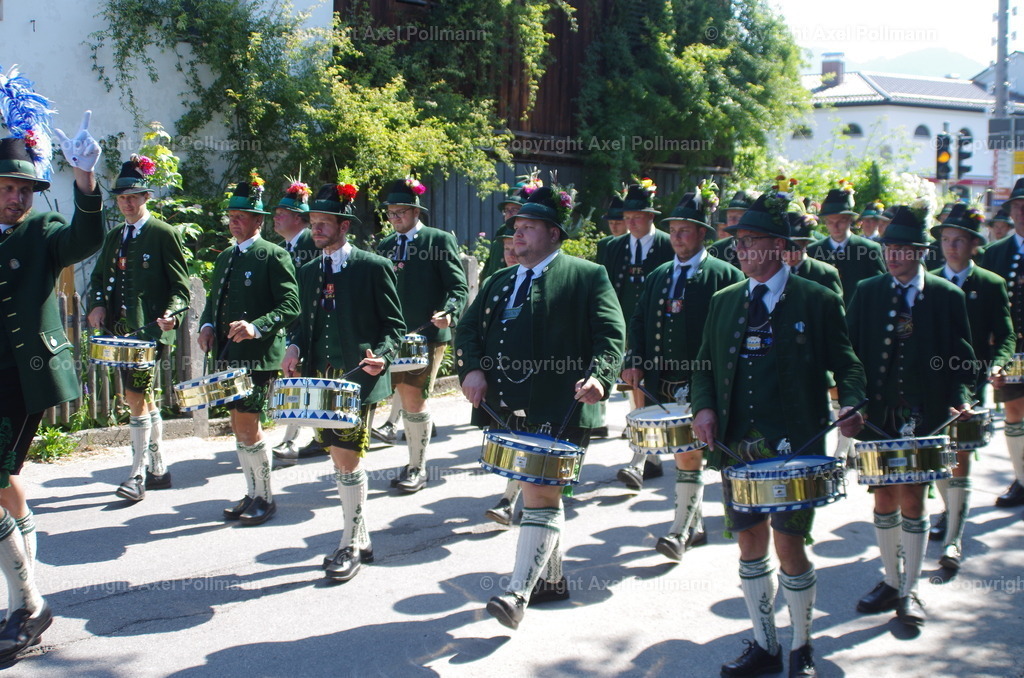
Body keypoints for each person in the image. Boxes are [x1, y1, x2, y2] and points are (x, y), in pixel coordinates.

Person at [691, 187, 866, 678]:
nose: (742, 251)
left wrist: (852, 400)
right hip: (736, 445)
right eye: (739, 243)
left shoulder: (817, 298)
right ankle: (765, 644)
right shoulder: (725, 301)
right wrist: (704, 408)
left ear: (778, 246)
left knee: (790, 545)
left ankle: (802, 645)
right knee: (749, 543)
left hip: (797, 445)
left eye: (752, 242)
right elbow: (705, 366)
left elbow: (847, 364)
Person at [456, 183, 625, 630]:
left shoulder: (587, 275)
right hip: (507, 407)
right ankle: (551, 580)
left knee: (539, 495)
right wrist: (471, 369)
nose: (517, 236)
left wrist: (601, 376)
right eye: (515, 229)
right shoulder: (499, 279)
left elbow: (611, 334)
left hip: (564, 403)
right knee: (537, 491)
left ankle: (517, 593)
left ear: (553, 234)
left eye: (528, 228)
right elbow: (467, 331)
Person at [0, 102, 104, 659]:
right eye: (8, 188)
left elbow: (84, 240)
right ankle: (23, 570)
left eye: (26, 190)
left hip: (23, 376)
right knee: (4, 480)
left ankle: (29, 603)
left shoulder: (40, 229)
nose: (19, 197)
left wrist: (84, 180)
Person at [847, 205, 974, 628]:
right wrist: (850, 399)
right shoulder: (868, 291)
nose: (894, 256)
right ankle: (889, 579)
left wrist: (960, 398)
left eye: (903, 250)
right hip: (879, 414)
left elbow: (961, 358)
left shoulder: (945, 295)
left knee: (914, 500)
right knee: (884, 497)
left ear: (921, 252)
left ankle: (911, 589)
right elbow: (851, 354)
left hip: (926, 415)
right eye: (889, 249)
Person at [282, 183, 404, 581]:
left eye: (323, 223)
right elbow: (301, 326)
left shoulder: (373, 267)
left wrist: (382, 356)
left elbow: (395, 328)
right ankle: (361, 535)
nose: (315, 229)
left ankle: (348, 543)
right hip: (320, 380)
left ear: (343, 226)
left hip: (359, 378)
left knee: (347, 457)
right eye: (312, 222)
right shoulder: (307, 270)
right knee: (336, 455)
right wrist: (294, 348)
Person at [621, 187, 743, 560]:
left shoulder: (725, 275)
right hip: (662, 380)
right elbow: (640, 320)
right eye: (673, 230)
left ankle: (678, 532)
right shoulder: (658, 275)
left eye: (685, 231)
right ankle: (698, 524)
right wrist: (634, 359)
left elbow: (734, 331)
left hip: (703, 381)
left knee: (690, 456)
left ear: (703, 233)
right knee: (681, 453)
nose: (676, 237)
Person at [197, 173, 299, 526]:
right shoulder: (226, 256)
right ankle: (251, 491)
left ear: (259, 221)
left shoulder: (273, 255)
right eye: (231, 216)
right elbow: (214, 301)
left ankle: (265, 497)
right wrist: (207, 326)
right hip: (228, 355)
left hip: (258, 358)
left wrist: (256, 326)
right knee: (237, 426)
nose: (234, 222)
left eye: (241, 217)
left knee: (248, 425)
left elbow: (291, 304)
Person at [87, 154, 190, 501]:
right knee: (141, 398)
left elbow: (181, 287)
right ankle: (159, 468)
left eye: (133, 197)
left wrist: (171, 314)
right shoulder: (115, 235)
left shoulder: (163, 233)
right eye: (121, 198)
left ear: (146, 197)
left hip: (148, 333)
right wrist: (97, 304)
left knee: (134, 397)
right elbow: (100, 278)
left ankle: (137, 475)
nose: (126, 203)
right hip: (119, 334)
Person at [927, 204, 1013, 570]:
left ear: (975, 244)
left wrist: (997, 363)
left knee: (960, 455)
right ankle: (951, 511)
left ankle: (954, 538)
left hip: (971, 381)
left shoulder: (991, 284)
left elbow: (1006, 335)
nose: (952, 247)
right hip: (932, 382)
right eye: (946, 240)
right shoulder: (928, 280)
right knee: (941, 456)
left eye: (959, 240)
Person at [375, 177, 468, 493]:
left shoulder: (438, 241)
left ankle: (418, 467)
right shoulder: (385, 246)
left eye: (401, 212)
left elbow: (458, 286)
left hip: (426, 335)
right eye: (391, 213)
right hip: (390, 339)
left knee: (414, 399)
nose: (395, 218)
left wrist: (448, 311)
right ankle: (412, 460)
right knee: (400, 395)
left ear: (416, 211)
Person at [602, 180, 674, 487]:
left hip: (657, 330)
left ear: (651, 217)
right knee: (633, 391)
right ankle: (649, 456)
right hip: (623, 330)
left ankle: (641, 456)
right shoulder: (610, 247)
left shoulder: (669, 245)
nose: (630, 221)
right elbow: (602, 292)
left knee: (646, 389)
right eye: (627, 216)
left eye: (637, 216)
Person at [270, 180, 330, 465]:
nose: (275, 217)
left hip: (311, 320)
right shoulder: (286, 245)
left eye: (282, 212)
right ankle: (313, 436)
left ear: (298, 218)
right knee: (298, 377)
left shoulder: (310, 242)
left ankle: (297, 438)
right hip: (294, 322)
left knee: (303, 378)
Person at [981, 177, 1024, 512]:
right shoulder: (995, 253)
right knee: (1014, 411)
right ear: (1010, 211)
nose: (1023, 213)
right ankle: (1021, 478)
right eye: (1019, 207)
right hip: (1013, 350)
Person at [481, 231, 525, 526]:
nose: (509, 253)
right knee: (509, 437)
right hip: (499, 377)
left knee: (523, 437)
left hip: (530, 378)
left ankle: (510, 499)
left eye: (514, 247)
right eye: (505, 248)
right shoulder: (496, 282)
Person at [805, 183, 885, 305]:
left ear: (849, 220)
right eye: (830, 222)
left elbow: (879, 286)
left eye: (840, 221)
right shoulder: (813, 250)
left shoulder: (869, 249)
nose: (835, 226)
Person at [707, 189, 756, 269]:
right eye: (730, 217)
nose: (732, 221)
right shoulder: (716, 249)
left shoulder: (759, 247)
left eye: (737, 217)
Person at [595, 194, 626, 266]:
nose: (614, 227)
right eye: (611, 223)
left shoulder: (634, 242)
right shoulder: (603, 244)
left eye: (618, 223)